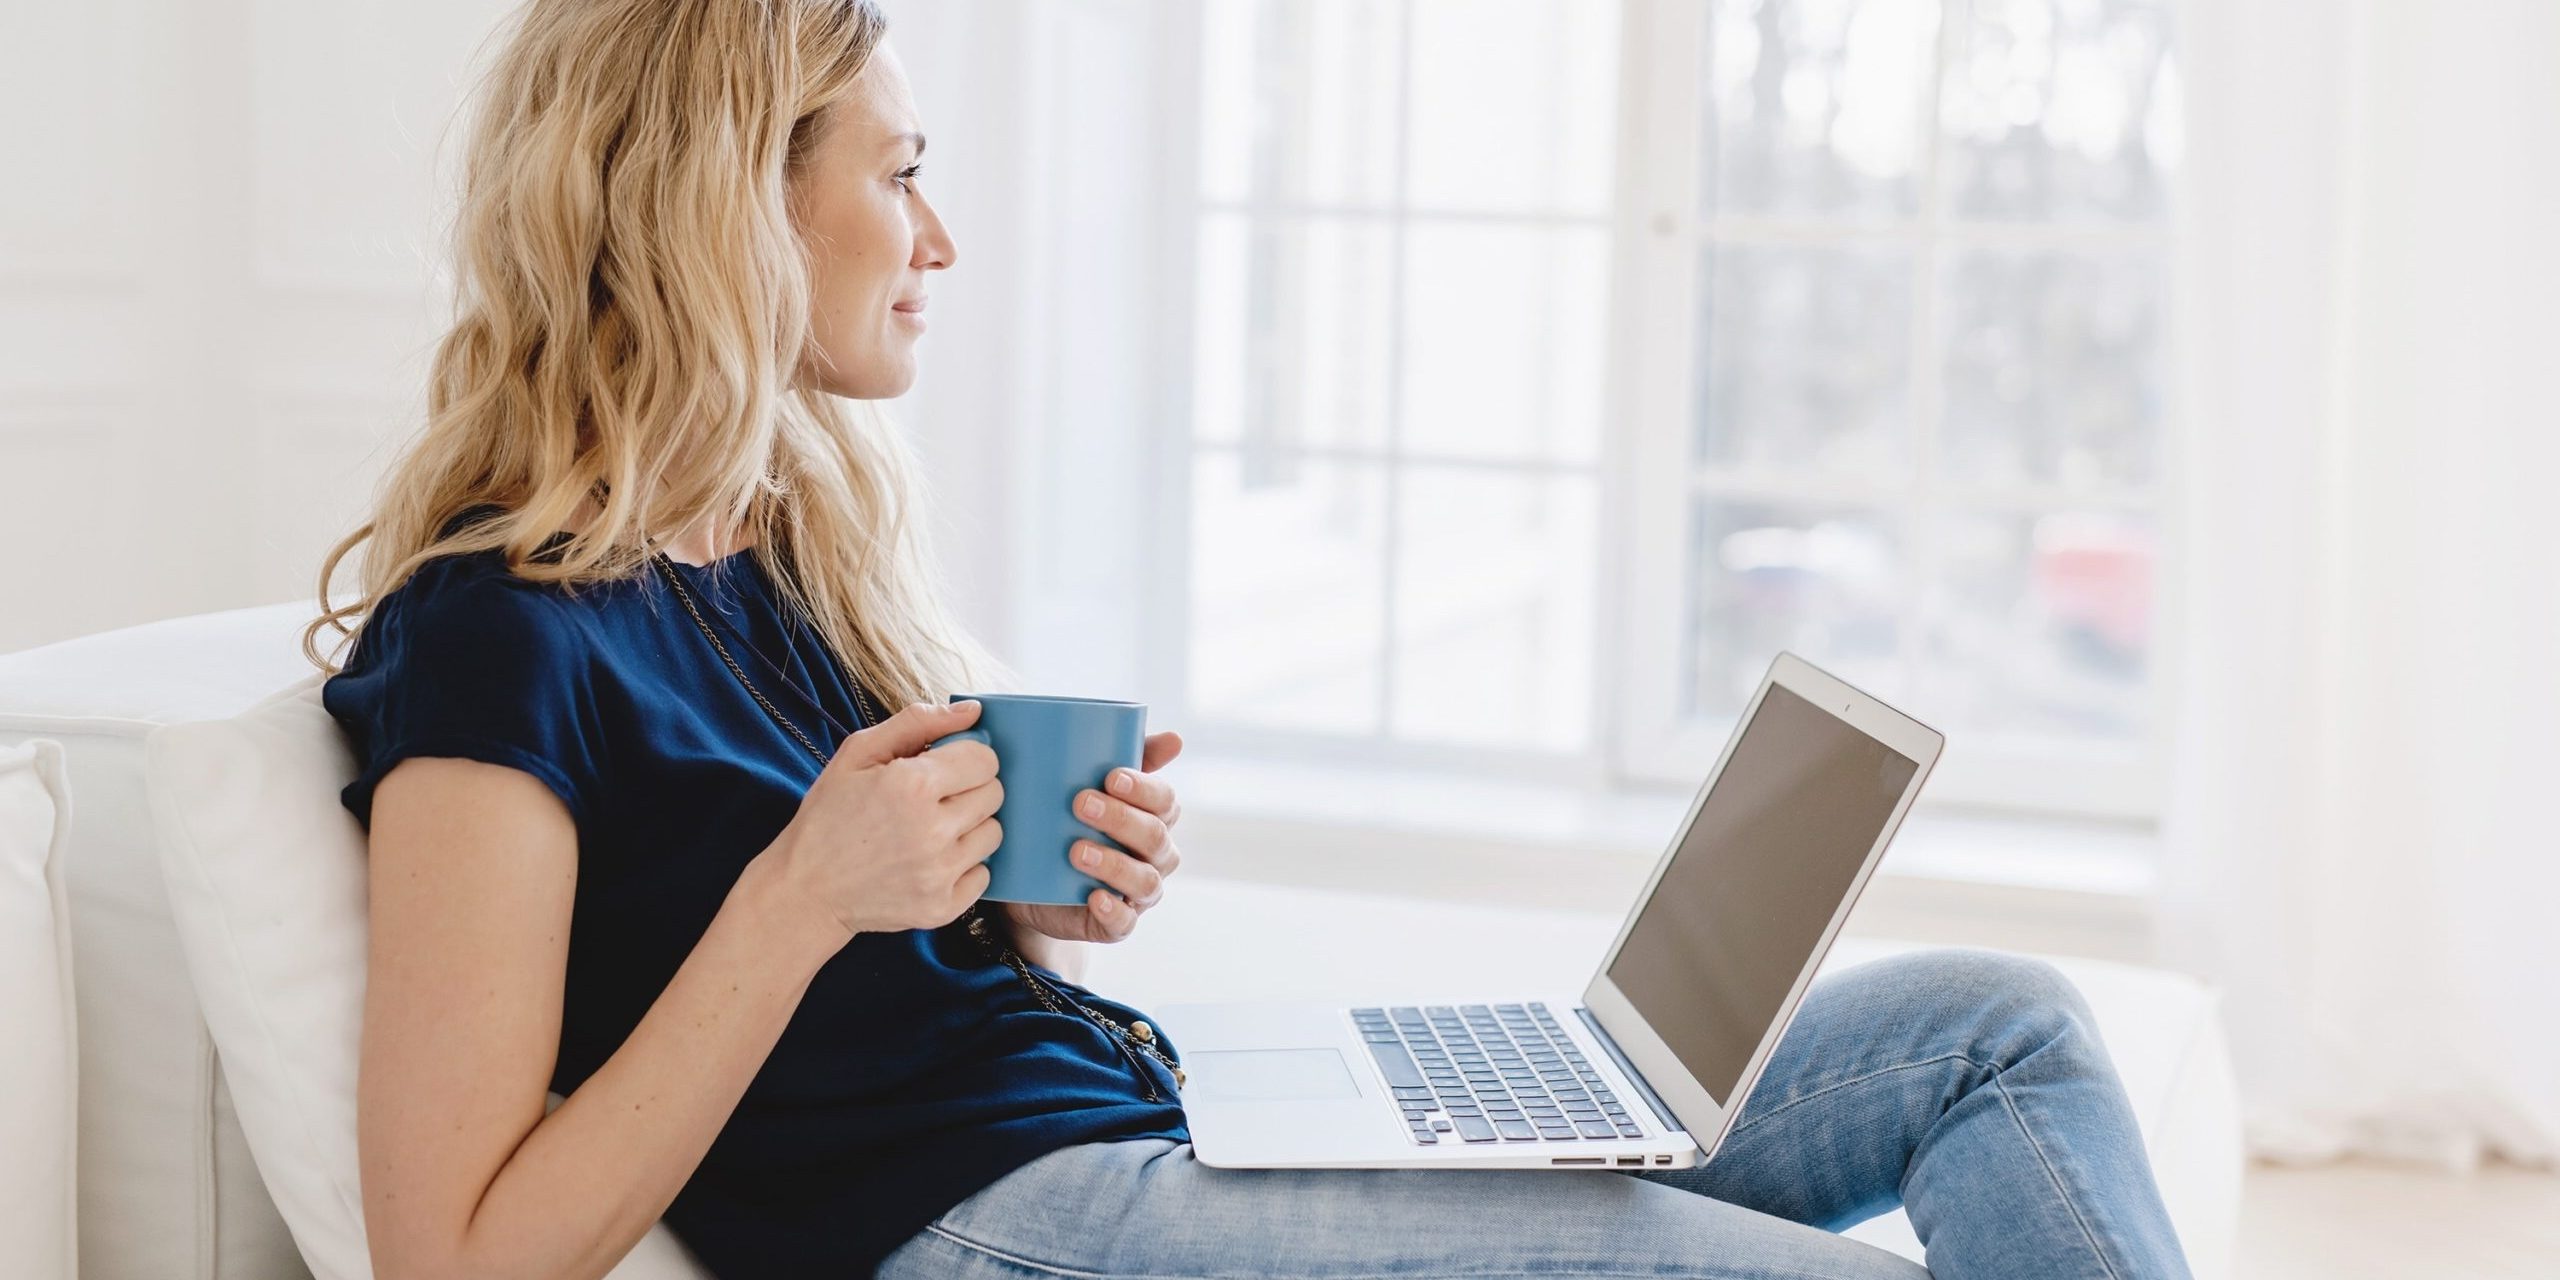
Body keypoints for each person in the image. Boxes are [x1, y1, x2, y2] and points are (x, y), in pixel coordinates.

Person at [307, 3, 2197, 1277]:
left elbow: (846, 965)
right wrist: (809, 892)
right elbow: (453, 1250)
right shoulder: (497, 636)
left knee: (2001, 1035)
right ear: (728, 208)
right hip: (1005, 1222)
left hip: (1149, 1104)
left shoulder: (778, 544)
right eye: (895, 174)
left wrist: (1003, 903)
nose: (940, 237)